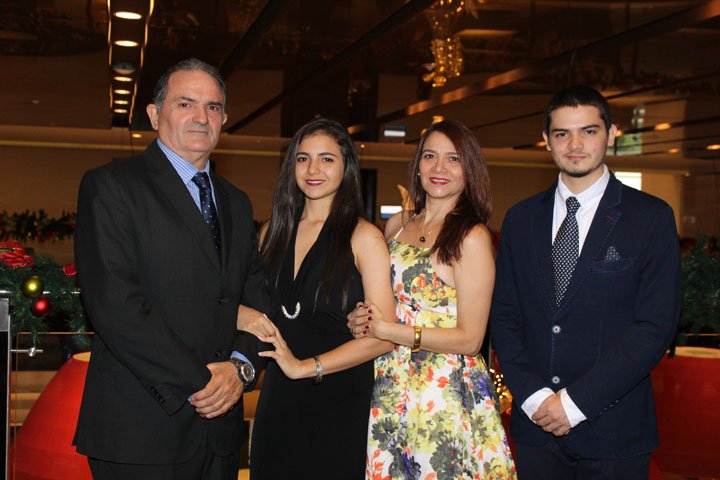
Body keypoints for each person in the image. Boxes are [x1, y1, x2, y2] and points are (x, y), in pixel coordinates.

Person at [73, 58, 270, 479]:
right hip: (142, 428)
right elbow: (116, 306)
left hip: (221, 433)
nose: (201, 117)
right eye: (185, 104)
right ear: (153, 114)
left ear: (224, 120)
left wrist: (240, 369)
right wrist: (203, 382)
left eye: (213, 107)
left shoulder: (236, 202)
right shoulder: (111, 186)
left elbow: (259, 298)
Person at [490, 85, 681, 479]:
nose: (575, 145)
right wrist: (534, 397)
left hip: (614, 430)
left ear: (611, 134)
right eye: (562, 133)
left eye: (589, 131)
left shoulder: (650, 217)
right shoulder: (521, 219)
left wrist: (574, 403)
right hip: (536, 427)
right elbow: (505, 316)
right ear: (546, 140)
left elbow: (654, 326)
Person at [350, 120, 516, 479]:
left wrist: (391, 331)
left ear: (469, 170)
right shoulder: (397, 225)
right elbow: (385, 302)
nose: (439, 168)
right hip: (389, 381)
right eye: (430, 156)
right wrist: (363, 318)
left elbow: (471, 339)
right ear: (418, 164)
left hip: (442, 390)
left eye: (453, 159)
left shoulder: (471, 237)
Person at [235, 117, 395, 480]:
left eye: (327, 159)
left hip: (339, 397)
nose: (313, 170)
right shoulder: (271, 233)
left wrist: (305, 367)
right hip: (278, 396)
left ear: (346, 167)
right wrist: (238, 313)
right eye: (303, 158)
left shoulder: (364, 237)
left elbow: (383, 338)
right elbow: (254, 309)